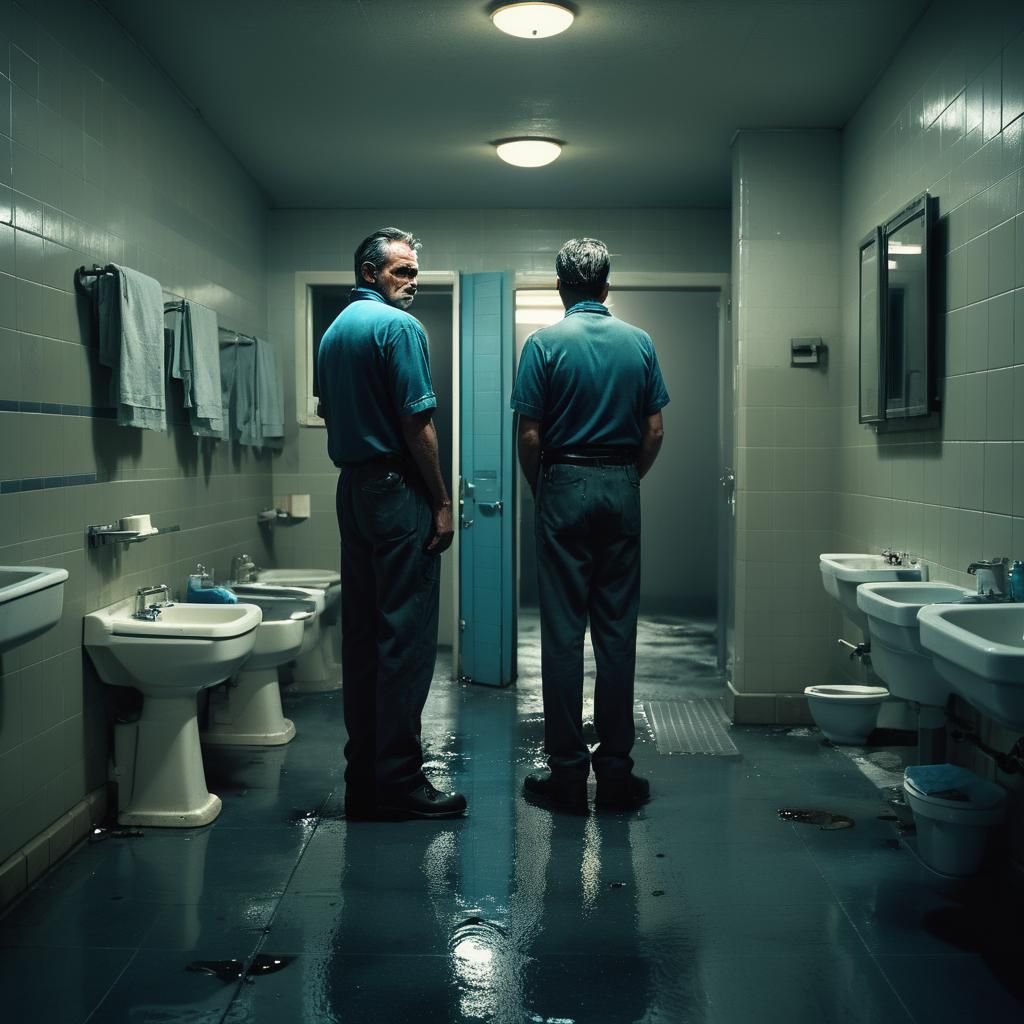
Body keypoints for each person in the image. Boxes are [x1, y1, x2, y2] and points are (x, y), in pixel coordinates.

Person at [510, 238, 668, 813]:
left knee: (561, 637)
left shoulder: (543, 344)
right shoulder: (639, 343)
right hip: (620, 485)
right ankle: (618, 774)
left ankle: (569, 775)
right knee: (617, 635)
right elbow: (653, 431)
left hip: (563, 484)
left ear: (560, 287)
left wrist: (543, 488)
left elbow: (529, 435)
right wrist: (628, 479)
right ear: (606, 285)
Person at [317, 227, 465, 821]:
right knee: (402, 638)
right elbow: (417, 426)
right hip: (392, 487)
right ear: (370, 271)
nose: (412, 282)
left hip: (352, 487)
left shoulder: (333, 333)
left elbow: (331, 411)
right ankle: (399, 782)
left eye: (414, 272)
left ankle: (364, 779)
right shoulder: (399, 328)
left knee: (363, 635)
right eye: (401, 270)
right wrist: (442, 500)